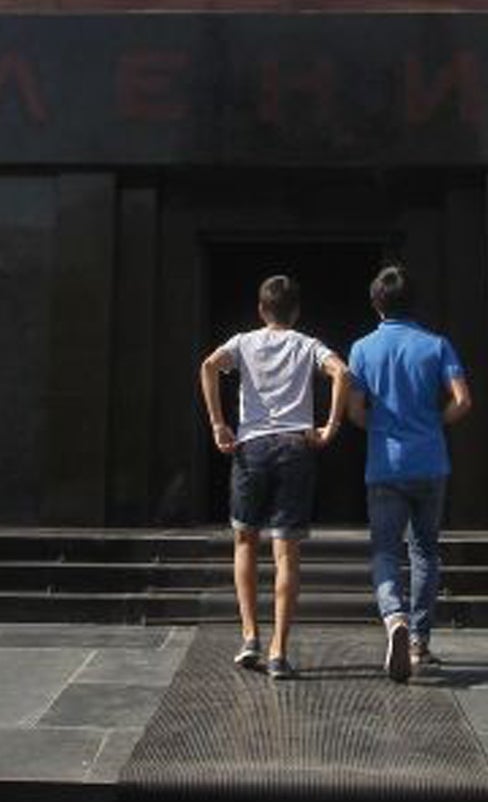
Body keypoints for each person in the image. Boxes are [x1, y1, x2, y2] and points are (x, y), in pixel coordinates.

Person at [198, 273, 348, 682]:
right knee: (287, 553)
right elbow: (341, 372)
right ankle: (279, 650)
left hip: (253, 446)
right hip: (295, 447)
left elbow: (209, 366)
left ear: (262, 310)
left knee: (245, 540)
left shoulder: (244, 342)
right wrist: (330, 426)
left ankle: (250, 636)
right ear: (296, 311)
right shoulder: (307, 344)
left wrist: (218, 424)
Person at [346, 263, 470, 683]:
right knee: (424, 551)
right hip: (431, 462)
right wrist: (436, 421)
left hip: (385, 464)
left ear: (375, 303)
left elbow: (354, 410)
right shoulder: (437, 345)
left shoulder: (362, 349)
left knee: (384, 550)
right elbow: (462, 401)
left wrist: (380, 428)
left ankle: (393, 615)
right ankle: (419, 641)